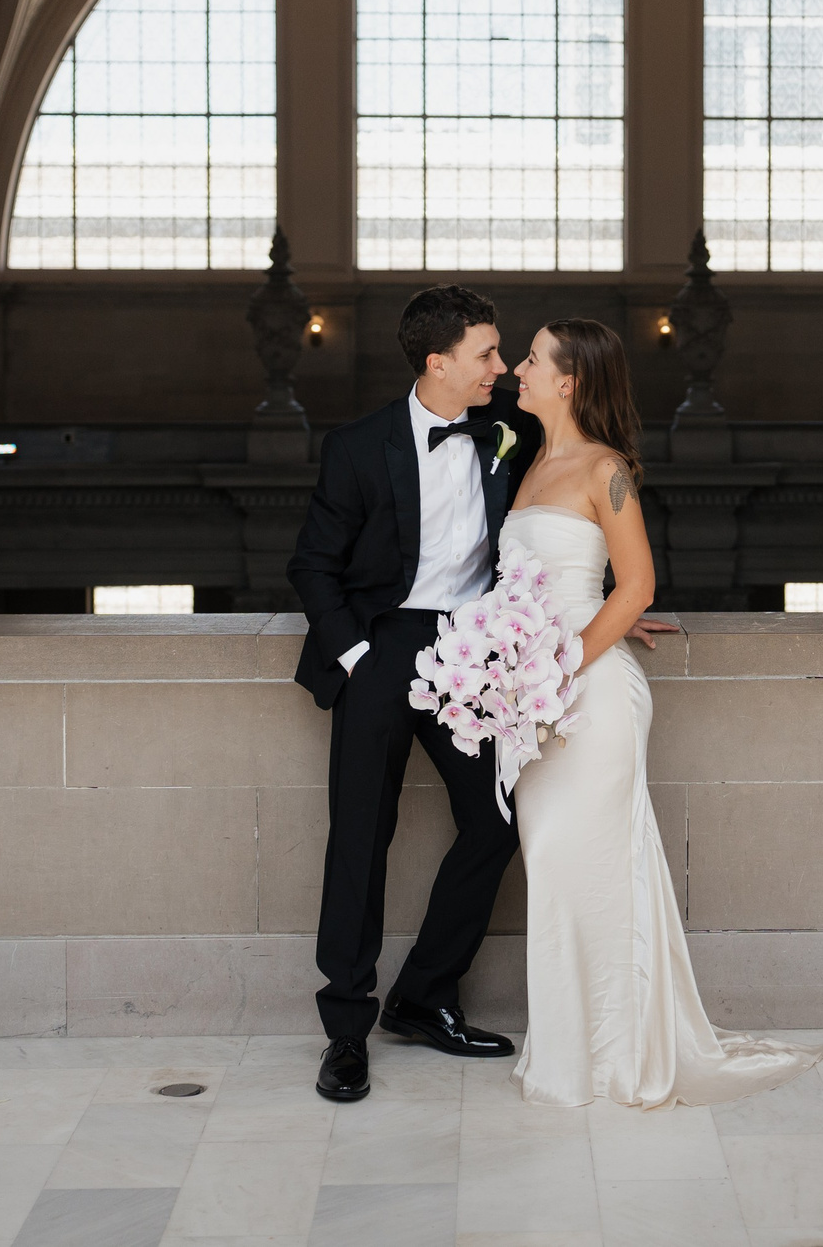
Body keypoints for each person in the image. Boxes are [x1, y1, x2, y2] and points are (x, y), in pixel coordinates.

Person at [503, 318, 823, 1107]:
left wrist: (566, 659)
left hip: (590, 695)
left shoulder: (604, 467)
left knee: (596, 868)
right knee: (551, 865)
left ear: (570, 378)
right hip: (538, 694)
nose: (518, 366)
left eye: (534, 359)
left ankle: (618, 1056)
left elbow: (636, 585)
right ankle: (571, 1050)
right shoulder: (527, 457)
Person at [287, 286, 541, 1104]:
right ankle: (346, 1033)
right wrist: (361, 656)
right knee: (361, 833)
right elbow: (312, 565)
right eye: (487, 354)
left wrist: (618, 605)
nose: (500, 369)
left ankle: (424, 993)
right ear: (438, 361)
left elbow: (560, 519)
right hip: (381, 644)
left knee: (497, 819)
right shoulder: (358, 445)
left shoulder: (516, 435)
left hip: (471, 649)